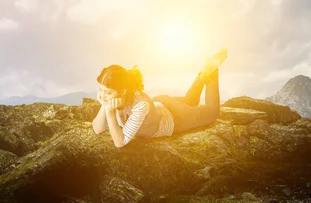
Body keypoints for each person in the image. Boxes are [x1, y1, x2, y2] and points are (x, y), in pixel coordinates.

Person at [92, 48, 228, 148]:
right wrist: (104, 106)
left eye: (107, 92)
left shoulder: (140, 105)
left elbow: (120, 142)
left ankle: (212, 71)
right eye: (100, 89)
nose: (102, 95)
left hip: (175, 117)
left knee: (213, 112)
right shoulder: (112, 97)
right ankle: (203, 74)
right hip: (161, 104)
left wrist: (109, 112)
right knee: (190, 102)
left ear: (122, 91)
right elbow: (98, 129)